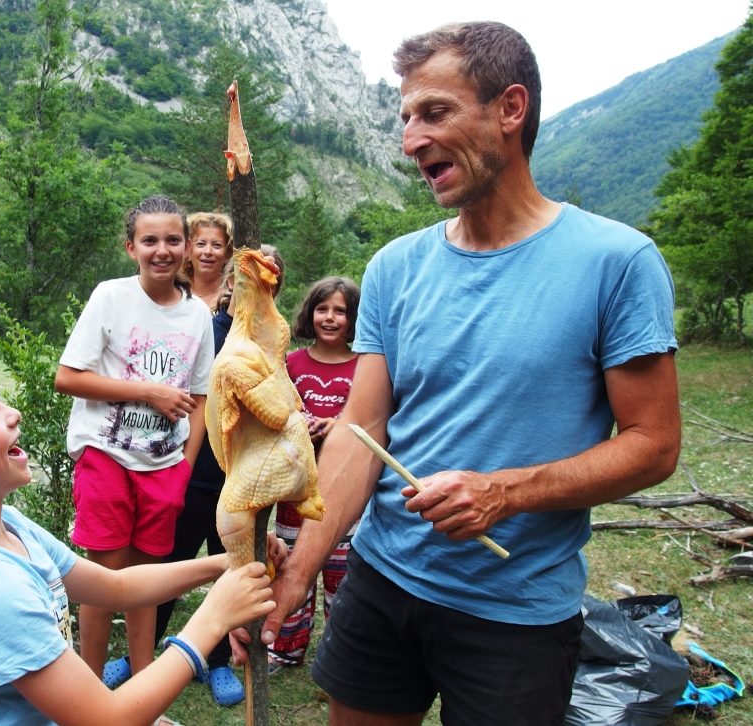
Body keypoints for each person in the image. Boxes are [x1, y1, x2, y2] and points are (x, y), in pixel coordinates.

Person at [236, 21, 681, 726]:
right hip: (381, 583)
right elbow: (362, 427)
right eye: (406, 118)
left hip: (518, 612)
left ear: (510, 109)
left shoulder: (617, 262)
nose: (411, 141)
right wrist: (304, 561)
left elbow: (654, 443)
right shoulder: (394, 266)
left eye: (434, 113)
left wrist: (504, 492)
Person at [0, 345, 276, 726]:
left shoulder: (6, 526)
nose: (12, 413)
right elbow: (108, 720)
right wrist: (209, 622)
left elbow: (115, 586)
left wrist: (224, 565)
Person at [54, 195, 216, 687]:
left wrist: (186, 465)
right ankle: (88, 691)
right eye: (150, 240)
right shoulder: (111, 296)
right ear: (131, 247)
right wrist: (147, 391)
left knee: (148, 581)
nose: (161, 250)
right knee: (104, 580)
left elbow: (201, 396)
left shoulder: (198, 317)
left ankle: (142, 689)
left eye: (172, 240)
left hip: (165, 465)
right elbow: (68, 377)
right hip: (106, 454)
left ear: (187, 247)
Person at [144, 243, 285, 707]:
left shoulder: (276, 342)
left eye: (268, 282)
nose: (255, 291)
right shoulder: (206, 330)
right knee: (173, 564)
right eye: (246, 280)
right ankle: (146, 654)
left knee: (238, 571)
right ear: (229, 285)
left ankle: (221, 658)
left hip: (245, 484)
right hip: (198, 473)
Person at [269, 276, 360, 672]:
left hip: (344, 492)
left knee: (343, 575)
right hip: (295, 490)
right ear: (310, 313)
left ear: (354, 318)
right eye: (323, 309)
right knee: (291, 567)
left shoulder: (366, 366)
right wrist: (296, 422)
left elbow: (373, 420)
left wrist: (336, 423)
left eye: (340, 311)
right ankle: (285, 648)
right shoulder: (291, 363)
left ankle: (340, 653)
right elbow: (273, 411)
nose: (330, 318)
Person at [182, 212, 233, 310]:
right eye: (201, 244)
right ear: (187, 251)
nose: (208, 251)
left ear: (228, 253)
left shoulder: (233, 297)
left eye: (216, 245)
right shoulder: (174, 291)